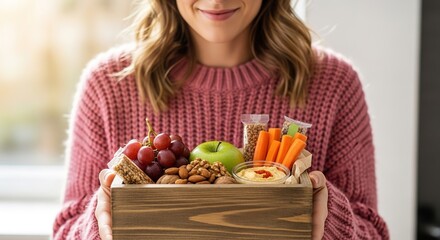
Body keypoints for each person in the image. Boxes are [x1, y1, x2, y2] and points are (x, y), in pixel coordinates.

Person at [52, 0, 389, 239]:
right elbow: (66, 231)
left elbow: (372, 231)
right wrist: (104, 225)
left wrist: (320, 217)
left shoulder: (334, 84)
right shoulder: (108, 84)